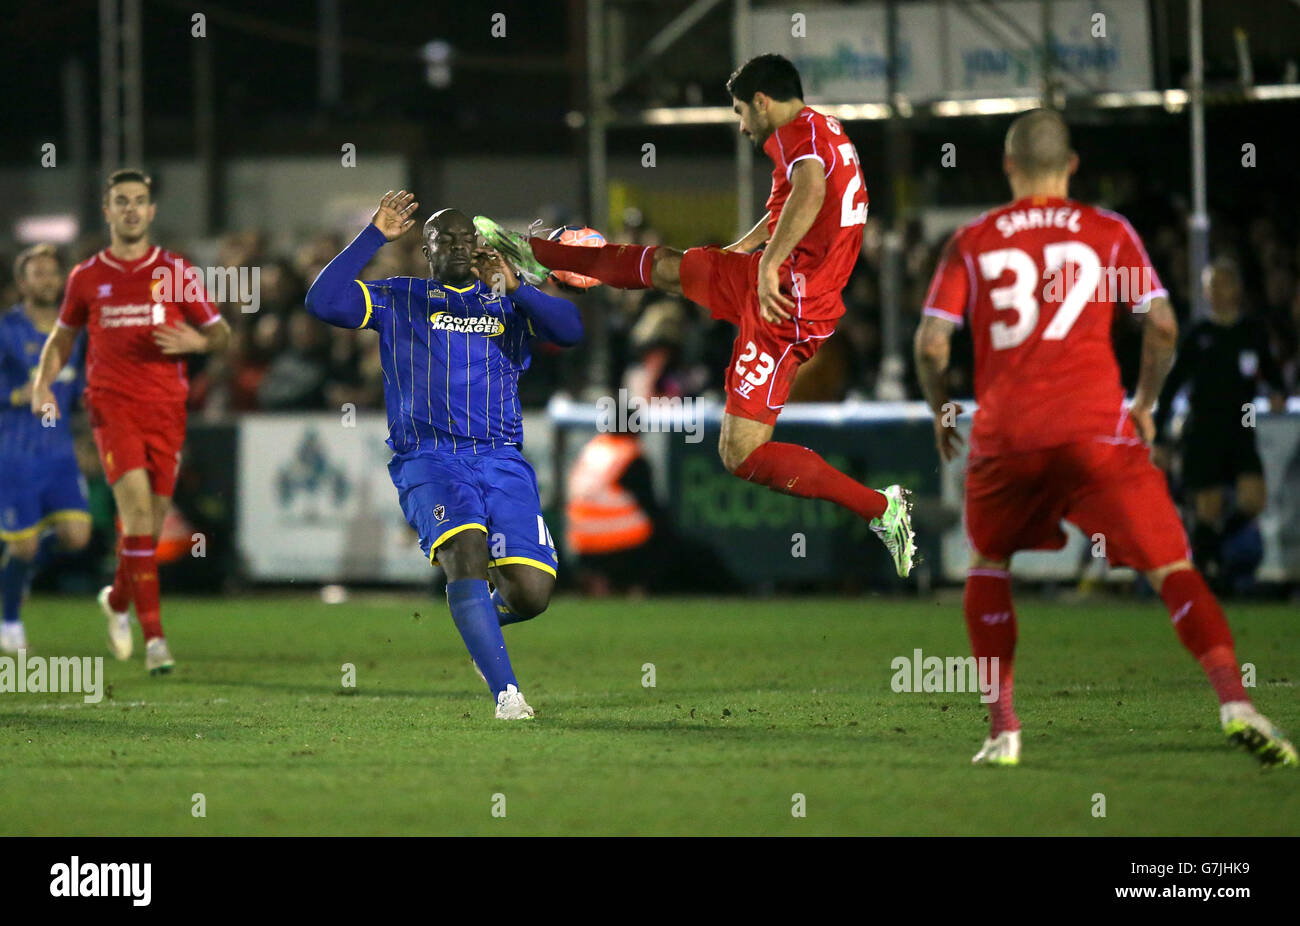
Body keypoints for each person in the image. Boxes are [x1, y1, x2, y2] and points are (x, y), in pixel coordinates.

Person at [913, 108, 1295, 768]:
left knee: (988, 565)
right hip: (1096, 432)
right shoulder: (1108, 231)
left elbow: (931, 343)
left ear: (1008, 166)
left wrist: (943, 409)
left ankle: (1004, 730)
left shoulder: (971, 241)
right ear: (1073, 167)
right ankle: (1237, 702)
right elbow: (1166, 327)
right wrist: (1144, 403)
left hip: (1008, 437)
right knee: (1172, 569)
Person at [474, 53, 915, 578]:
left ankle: (882, 510)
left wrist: (770, 263)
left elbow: (812, 190)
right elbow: (785, 213)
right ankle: (536, 254)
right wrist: (738, 254)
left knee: (742, 454)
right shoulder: (822, 130)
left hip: (787, 305)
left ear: (762, 102)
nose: (742, 126)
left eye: (739, 112)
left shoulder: (796, 136)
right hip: (774, 281)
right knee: (663, 267)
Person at [305, 192, 583, 720]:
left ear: (478, 247)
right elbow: (321, 302)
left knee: (532, 594)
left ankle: (480, 631)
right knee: (467, 557)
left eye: (464, 238)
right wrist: (372, 235)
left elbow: (571, 332)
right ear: (424, 251)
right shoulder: (398, 298)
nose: (456, 246)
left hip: (501, 458)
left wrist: (519, 285)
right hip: (429, 460)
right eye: (442, 239)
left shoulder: (507, 304)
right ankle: (508, 696)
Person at [32, 169, 232, 674]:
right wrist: (42, 383)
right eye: (121, 201)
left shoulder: (176, 272)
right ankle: (156, 640)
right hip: (111, 404)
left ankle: (118, 600)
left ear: (151, 210)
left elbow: (222, 333)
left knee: (151, 521)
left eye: (139, 201)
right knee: (137, 513)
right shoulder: (86, 276)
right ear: (108, 209)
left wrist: (199, 342)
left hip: (165, 409)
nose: (130, 209)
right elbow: (62, 339)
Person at [1154, 257, 1288, 588]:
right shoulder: (1198, 335)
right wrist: (1159, 437)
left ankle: (1207, 551)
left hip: (1241, 428)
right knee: (1208, 509)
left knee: (1253, 500)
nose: (1216, 292)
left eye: (1223, 284)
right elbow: (1170, 388)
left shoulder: (1251, 332)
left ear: (1237, 289)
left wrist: (1278, 392)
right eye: (1211, 286)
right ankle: (1207, 573)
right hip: (1203, 432)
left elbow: (1271, 372)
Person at [0, 245, 92, 652]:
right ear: (22, 283)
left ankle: (19, 573)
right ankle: (9, 624)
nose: (47, 281)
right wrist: (19, 394)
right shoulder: (7, 330)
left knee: (77, 536)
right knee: (24, 543)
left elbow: (83, 385)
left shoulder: (76, 330)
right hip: (16, 450)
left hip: (58, 450)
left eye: (53, 273)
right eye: (37, 274)